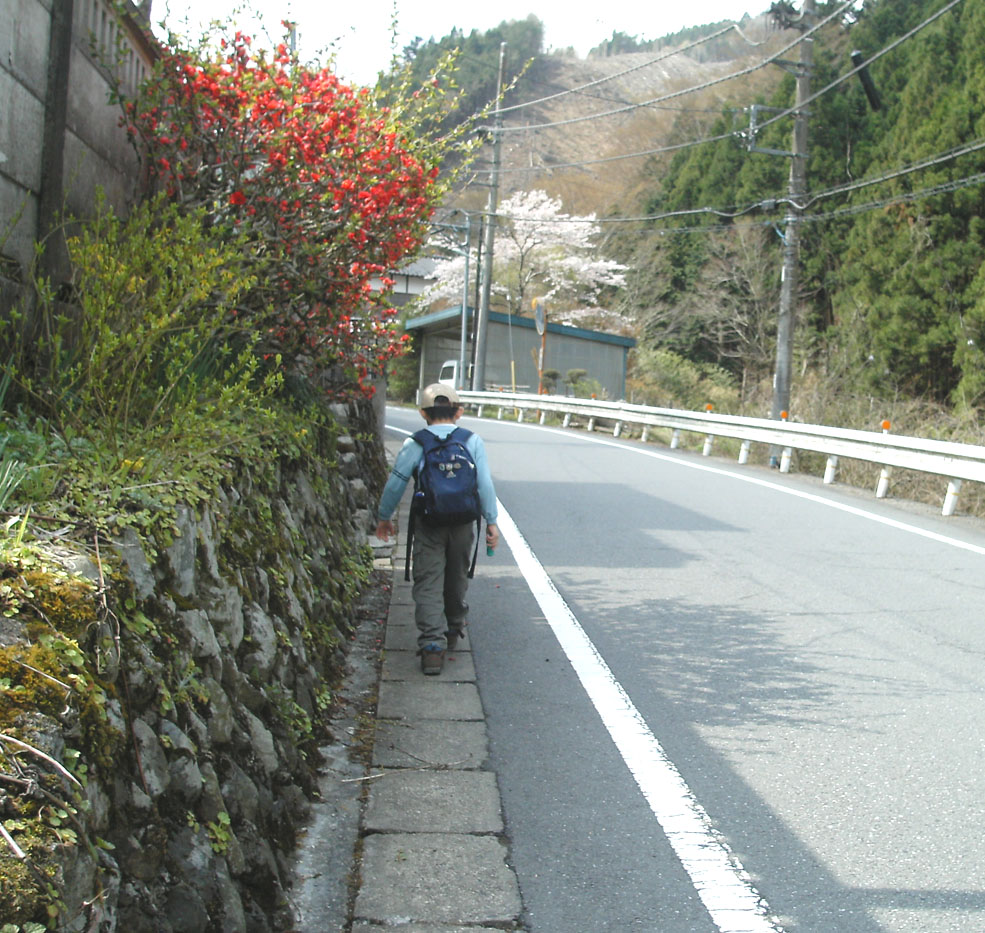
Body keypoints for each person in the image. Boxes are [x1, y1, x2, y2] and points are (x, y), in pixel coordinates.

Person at [375, 383, 499, 675]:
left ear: (423, 413)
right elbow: (484, 484)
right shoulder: (472, 441)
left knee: (428, 580)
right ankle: (453, 628)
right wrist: (491, 521)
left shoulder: (415, 443)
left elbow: (396, 482)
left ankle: (432, 647)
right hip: (463, 522)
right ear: (459, 412)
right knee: (457, 575)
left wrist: (384, 516)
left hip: (429, 522)